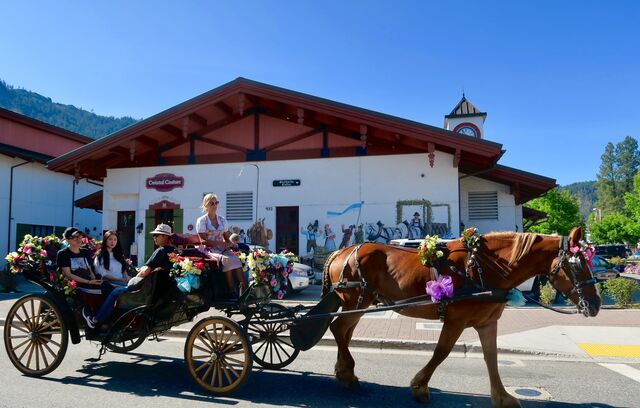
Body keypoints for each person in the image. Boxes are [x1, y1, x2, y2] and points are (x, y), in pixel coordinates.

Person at [82, 223, 177, 329]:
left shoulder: (161, 251)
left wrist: (134, 277)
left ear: (164, 236)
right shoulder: (174, 251)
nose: (154, 237)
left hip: (145, 287)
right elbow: (104, 275)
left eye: (156, 235)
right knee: (114, 290)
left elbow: (145, 271)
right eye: (110, 239)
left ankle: (97, 319)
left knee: (116, 292)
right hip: (156, 288)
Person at [196, 193, 247, 297]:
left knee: (236, 259)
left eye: (216, 203)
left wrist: (230, 244)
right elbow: (203, 241)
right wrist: (220, 243)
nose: (214, 205)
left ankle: (245, 291)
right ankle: (231, 291)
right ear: (205, 205)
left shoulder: (222, 220)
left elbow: (226, 237)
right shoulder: (202, 221)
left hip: (222, 248)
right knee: (227, 260)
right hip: (208, 250)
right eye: (211, 203)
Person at [57, 227, 103, 296]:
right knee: (105, 291)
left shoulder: (85, 251)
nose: (78, 239)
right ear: (67, 240)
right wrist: (89, 282)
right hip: (75, 285)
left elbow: (90, 269)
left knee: (110, 287)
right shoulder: (63, 253)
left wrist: (95, 280)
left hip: (89, 282)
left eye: (80, 236)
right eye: (75, 237)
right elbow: (68, 275)